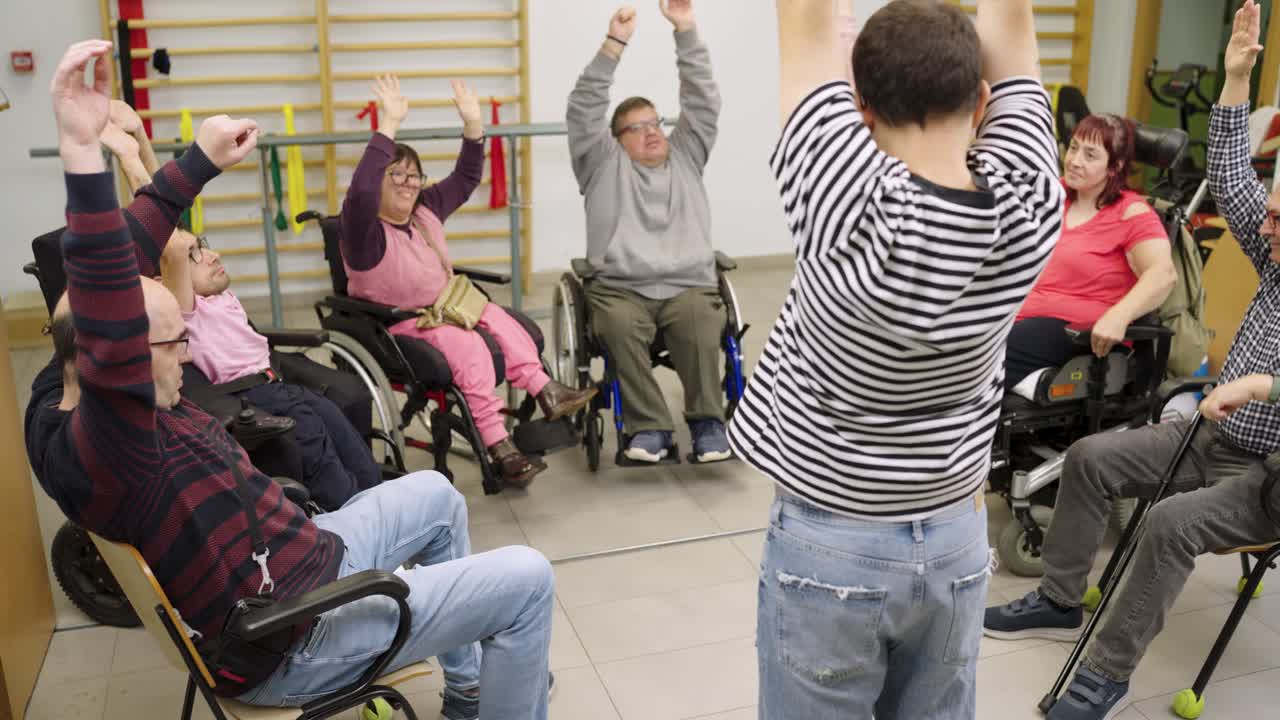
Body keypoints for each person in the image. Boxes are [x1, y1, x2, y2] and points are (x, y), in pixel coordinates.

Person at [32, 40, 554, 720]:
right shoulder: (119, 442)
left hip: (297, 559)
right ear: (110, 359)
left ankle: (469, 690)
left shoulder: (54, 398)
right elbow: (106, 306)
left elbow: (113, 278)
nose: (185, 355)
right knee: (527, 580)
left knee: (435, 494)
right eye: (171, 342)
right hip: (294, 634)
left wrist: (193, 166)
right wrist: (78, 153)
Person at [734, 0, 1064, 716]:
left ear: (859, 106)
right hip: (952, 537)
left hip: (831, 542)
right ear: (981, 100)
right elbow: (1014, 28)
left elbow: (805, 26)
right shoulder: (1032, 203)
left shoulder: (844, 201)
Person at [984, 3, 1280, 719]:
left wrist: (1266, 382)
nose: (1264, 224)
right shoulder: (1274, 263)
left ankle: (1102, 680)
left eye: (1278, 220)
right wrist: (1236, 79)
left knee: (1169, 523)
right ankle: (1060, 597)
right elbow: (1235, 180)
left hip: (1269, 476)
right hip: (1211, 437)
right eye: (1270, 215)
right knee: (1090, 458)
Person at [96, 104, 383, 512]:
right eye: (196, 256)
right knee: (333, 476)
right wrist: (127, 157)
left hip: (280, 382)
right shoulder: (182, 305)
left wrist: (141, 135)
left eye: (204, 246)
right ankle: (360, 540)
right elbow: (168, 237)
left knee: (357, 454)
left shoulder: (217, 293)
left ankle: (388, 517)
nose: (209, 256)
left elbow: (175, 220)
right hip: (253, 395)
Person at [342, 74, 594, 488]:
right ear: (380, 183)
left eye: (414, 176)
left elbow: (466, 177)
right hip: (403, 324)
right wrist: (387, 125)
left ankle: (546, 390)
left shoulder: (425, 211)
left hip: (450, 307)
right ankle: (500, 446)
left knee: (498, 316)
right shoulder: (362, 231)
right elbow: (362, 189)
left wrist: (473, 125)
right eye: (397, 175)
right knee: (470, 345)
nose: (408, 184)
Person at [566, 0, 731, 464]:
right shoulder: (601, 164)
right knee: (617, 326)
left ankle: (706, 423)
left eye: (655, 122)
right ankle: (650, 429)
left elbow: (702, 98)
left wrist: (685, 29)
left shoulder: (687, 153)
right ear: (615, 140)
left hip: (688, 286)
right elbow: (583, 108)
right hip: (621, 289)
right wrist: (614, 43)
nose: (651, 132)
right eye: (636, 128)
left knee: (701, 323)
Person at [1005, 113, 1176, 389]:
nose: (1074, 161)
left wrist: (1119, 316)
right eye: (1073, 148)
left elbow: (1163, 274)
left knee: (984, 354)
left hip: (1075, 333)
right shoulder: (1053, 194)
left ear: (1114, 167)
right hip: (1020, 315)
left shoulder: (1130, 212)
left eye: (1090, 155)